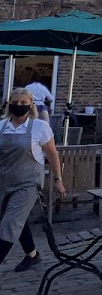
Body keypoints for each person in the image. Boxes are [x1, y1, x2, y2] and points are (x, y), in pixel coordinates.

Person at [0, 88, 64, 272]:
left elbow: (52, 154)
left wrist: (58, 179)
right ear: (9, 104)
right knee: (18, 219)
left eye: (23, 103)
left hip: (28, 183)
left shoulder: (39, 127)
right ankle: (33, 255)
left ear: (30, 105)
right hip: (4, 181)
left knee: (10, 223)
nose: (19, 106)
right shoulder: (2, 126)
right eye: (15, 102)